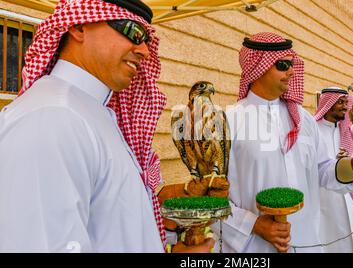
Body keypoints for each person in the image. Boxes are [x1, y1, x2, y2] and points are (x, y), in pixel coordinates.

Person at [0, 0, 213, 253]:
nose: (144, 50)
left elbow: (111, 228)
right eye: (133, 33)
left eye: (146, 39)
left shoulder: (92, 112)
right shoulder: (53, 118)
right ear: (79, 27)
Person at [211, 32, 353, 253]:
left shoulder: (304, 120)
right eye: (283, 65)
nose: (291, 71)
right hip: (253, 249)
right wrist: (253, 225)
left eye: (292, 64)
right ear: (257, 67)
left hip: (308, 243)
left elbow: (323, 169)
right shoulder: (229, 122)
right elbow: (210, 197)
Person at [314, 86, 353, 253]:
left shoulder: (348, 131)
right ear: (327, 103)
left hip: (349, 195)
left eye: (346, 102)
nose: (345, 107)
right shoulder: (313, 129)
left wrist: (349, 160)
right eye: (340, 102)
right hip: (324, 198)